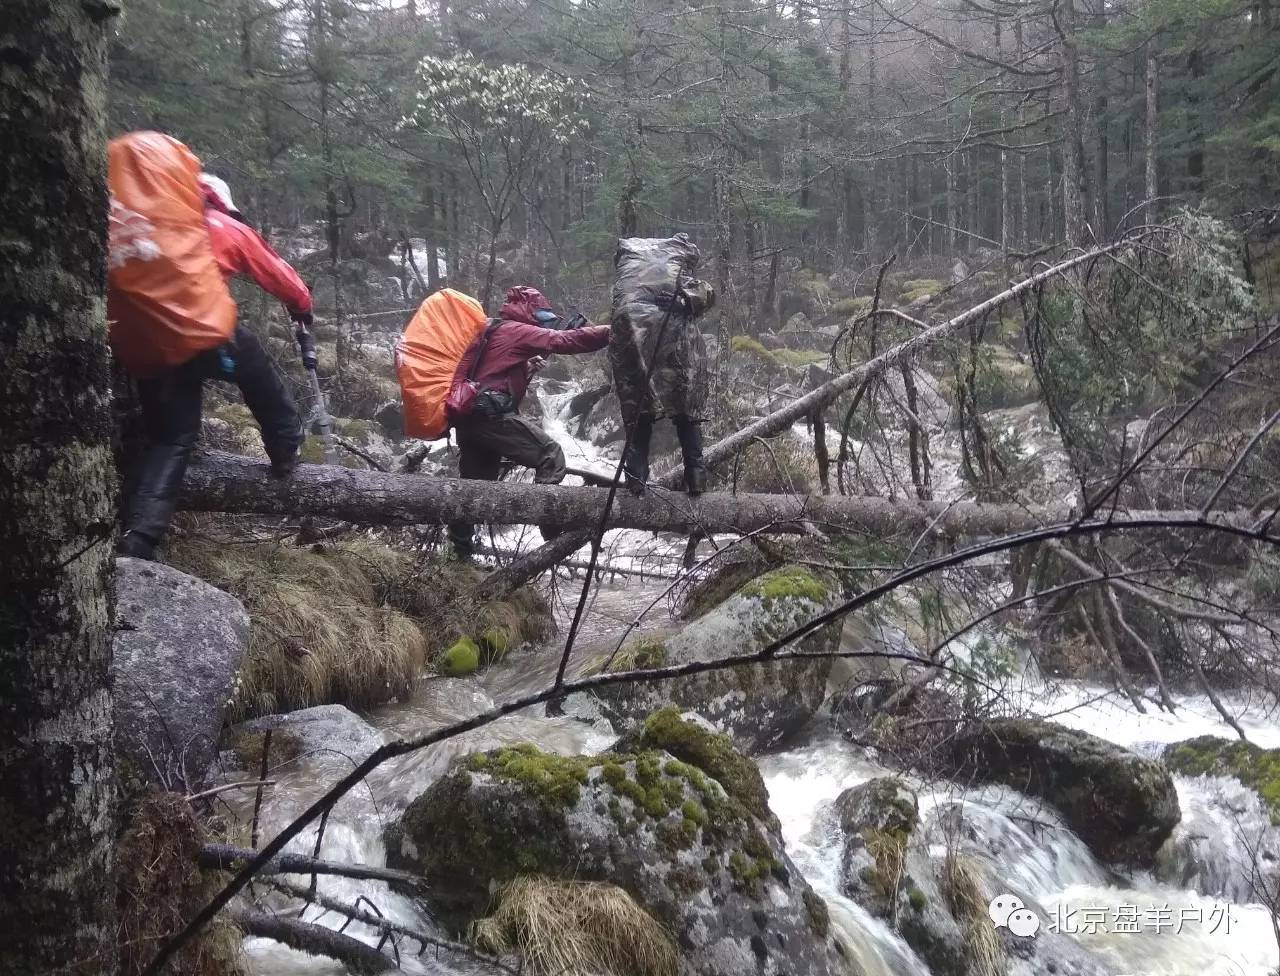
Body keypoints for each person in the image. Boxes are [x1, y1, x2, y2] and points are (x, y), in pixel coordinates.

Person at [117, 174, 313, 560]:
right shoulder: (221, 225)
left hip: (149, 341)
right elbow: (281, 277)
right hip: (204, 332)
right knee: (258, 370)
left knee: (170, 439)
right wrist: (302, 308)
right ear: (219, 200)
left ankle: (137, 540)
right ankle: (285, 449)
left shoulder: (139, 227)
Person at [447, 285, 611, 559]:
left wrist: (525, 370)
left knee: (475, 486)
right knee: (551, 454)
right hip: (491, 418)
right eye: (542, 318)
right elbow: (564, 341)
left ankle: (460, 554)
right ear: (529, 313)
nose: (542, 323)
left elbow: (492, 374)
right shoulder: (517, 330)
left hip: (469, 420)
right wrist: (609, 332)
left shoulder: (493, 328)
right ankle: (548, 524)